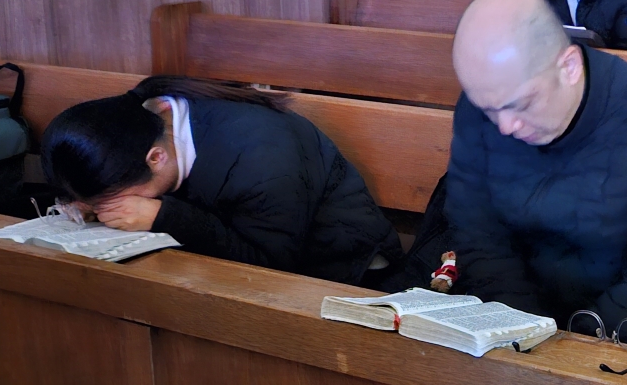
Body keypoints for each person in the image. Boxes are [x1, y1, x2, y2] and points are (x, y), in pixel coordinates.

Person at [445, 0, 627, 354]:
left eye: (522, 104)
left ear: (570, 67)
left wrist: (566, 344)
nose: (505, 126)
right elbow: (477, 236)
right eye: (488, 110)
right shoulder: (484, 104)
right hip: (519, 314)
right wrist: (525, 330)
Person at [39, 77, 402, 285]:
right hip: (254, 260)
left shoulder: (261, 157)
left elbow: (269, 267)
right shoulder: (144, 110)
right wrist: (83, 199)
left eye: (112, 199)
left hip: (341, 273)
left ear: (156, 158)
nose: (106, 210)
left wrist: (164, 216)